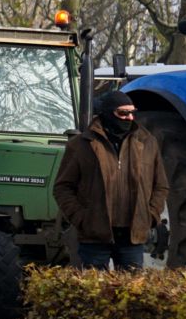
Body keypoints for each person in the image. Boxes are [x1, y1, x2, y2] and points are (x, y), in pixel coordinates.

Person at [53, 90, 167, 271]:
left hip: (132, 237)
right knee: (94, 294)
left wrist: (150, 216)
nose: (129, 118)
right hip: (94, 237)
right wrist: (82, 219)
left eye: (132, 112)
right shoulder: (81, 145)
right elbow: (63, 187)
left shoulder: (147, 142)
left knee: (131, 294)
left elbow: (160, 185)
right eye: (123, 113)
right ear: (107, 113)